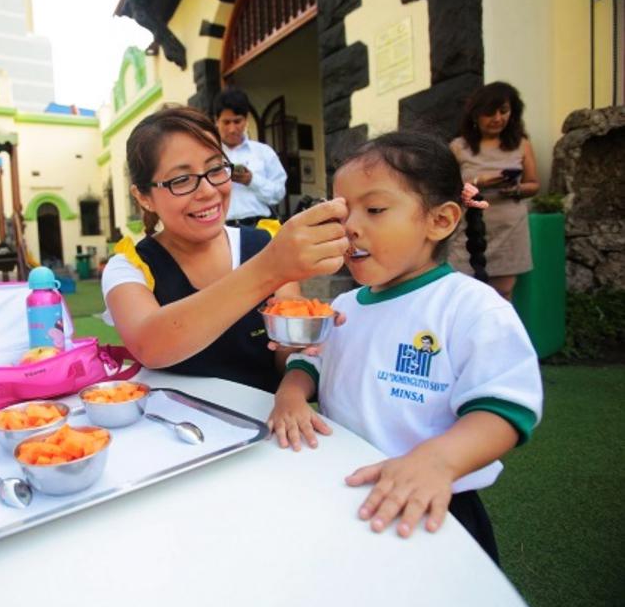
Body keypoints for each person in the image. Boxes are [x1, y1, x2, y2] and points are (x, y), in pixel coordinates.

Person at [269, 131, 543, 563]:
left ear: (440, 220)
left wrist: (438, 461)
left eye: (374, 209)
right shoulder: (344, 307)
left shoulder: (470, 308)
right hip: (348, 492)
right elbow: (311, 364)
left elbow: (504, 409)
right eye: (343, 212)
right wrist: (290, 394)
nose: (350, 227)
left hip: (435, 504)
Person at [101, 106, 348, 393]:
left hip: (261, 426)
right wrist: (269, 268)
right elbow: (150, 345)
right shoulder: (130, 267)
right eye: (182, 180)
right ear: (143, 197)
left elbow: (284, 352)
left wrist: (303, 340)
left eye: (216, 169)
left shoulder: (264, 243)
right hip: (175, 429)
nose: (207, 191)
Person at [449, 81, 540, 300]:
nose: (498, 118)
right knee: (465, 290)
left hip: (510, 226)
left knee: (504, 290)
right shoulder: (458, 146)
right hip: (470, 227)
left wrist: (515, 189)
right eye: (490, 113)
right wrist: (479, 182)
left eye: (504, 111)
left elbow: (534, 184)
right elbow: (447, 189)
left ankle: (499, 334)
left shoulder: (521, 144)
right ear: (476, 114)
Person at [212, 87, 288, 227]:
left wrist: (252, 180)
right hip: (222, 229)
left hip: (259, 226)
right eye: (226, 122)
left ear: (246, 119)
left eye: (237, 121)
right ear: (216, 121)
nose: (232, 129)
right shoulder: (210, 155)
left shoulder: (264, 152)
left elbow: (278, 193)